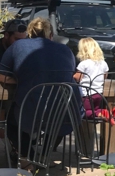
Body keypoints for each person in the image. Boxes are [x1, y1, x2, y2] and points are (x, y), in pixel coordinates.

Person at [0, 17, 81, 165]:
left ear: (29, 33)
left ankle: (26, 155)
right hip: (68, 110)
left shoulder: (18, 46)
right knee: (56, 118)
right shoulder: (65, 49)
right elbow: (75, 74)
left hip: (32, 108)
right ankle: (44, 154)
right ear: (51, 35)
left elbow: (2, 75)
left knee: (11, 122)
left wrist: (20, 79)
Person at [73, 37, 109, 119]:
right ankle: (104, 112)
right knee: (94, 110)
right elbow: (105, 76)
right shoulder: (103, 63)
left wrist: (72, 75)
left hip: (87, 94)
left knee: (83, 112)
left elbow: (77, 78)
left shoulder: (84, 64)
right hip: (99, 93)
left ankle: (100, 114)